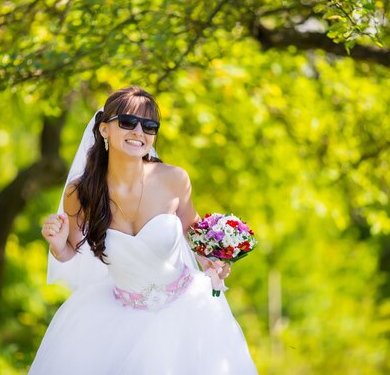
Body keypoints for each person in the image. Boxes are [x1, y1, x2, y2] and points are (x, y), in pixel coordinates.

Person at [28, 85, 258, 374]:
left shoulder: (174, 179)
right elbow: (69, 251)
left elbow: (195, 238)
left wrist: (215, 262)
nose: (139, 131)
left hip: (185, 312)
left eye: (149, 126)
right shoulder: (81, 191)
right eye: (127, 122)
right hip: (116, 315)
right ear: (104, 129)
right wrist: (57, 243)